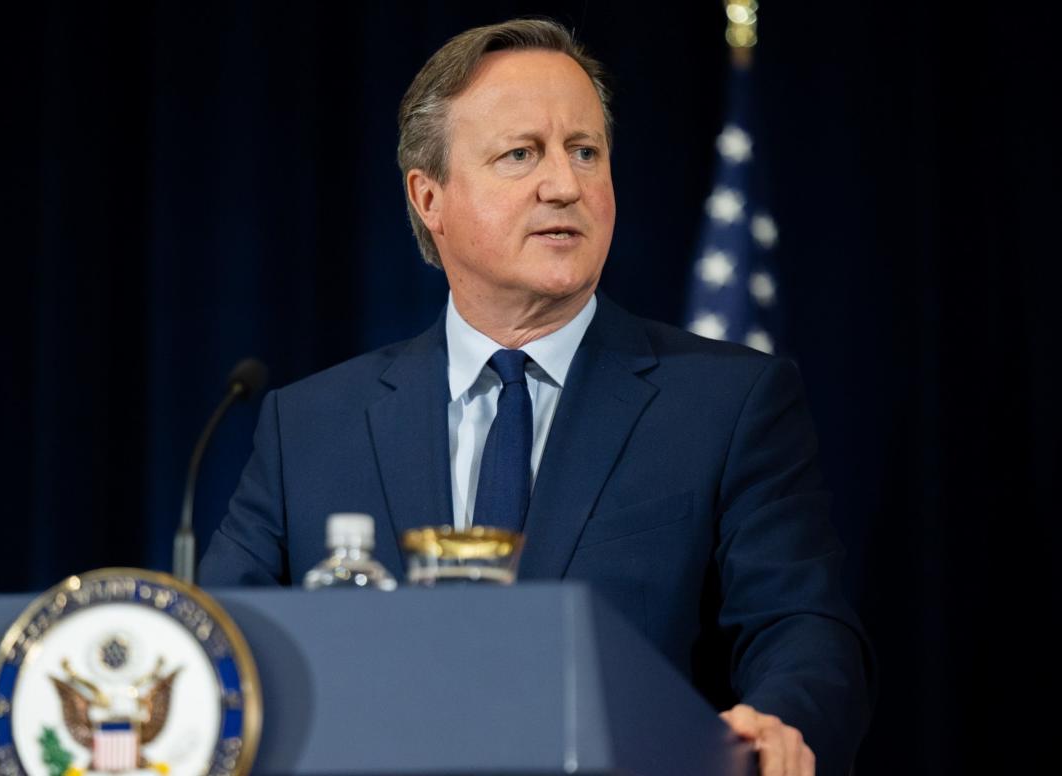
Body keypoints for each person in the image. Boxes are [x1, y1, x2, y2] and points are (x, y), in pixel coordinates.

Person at [200, 18, 872, 776]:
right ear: (430, 197)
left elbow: (801, 627)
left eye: (585, 152)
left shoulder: (730, 403)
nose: (565, 184)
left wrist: (778, 723)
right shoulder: (311, 428)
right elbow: (215, 649)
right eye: (521, 154)